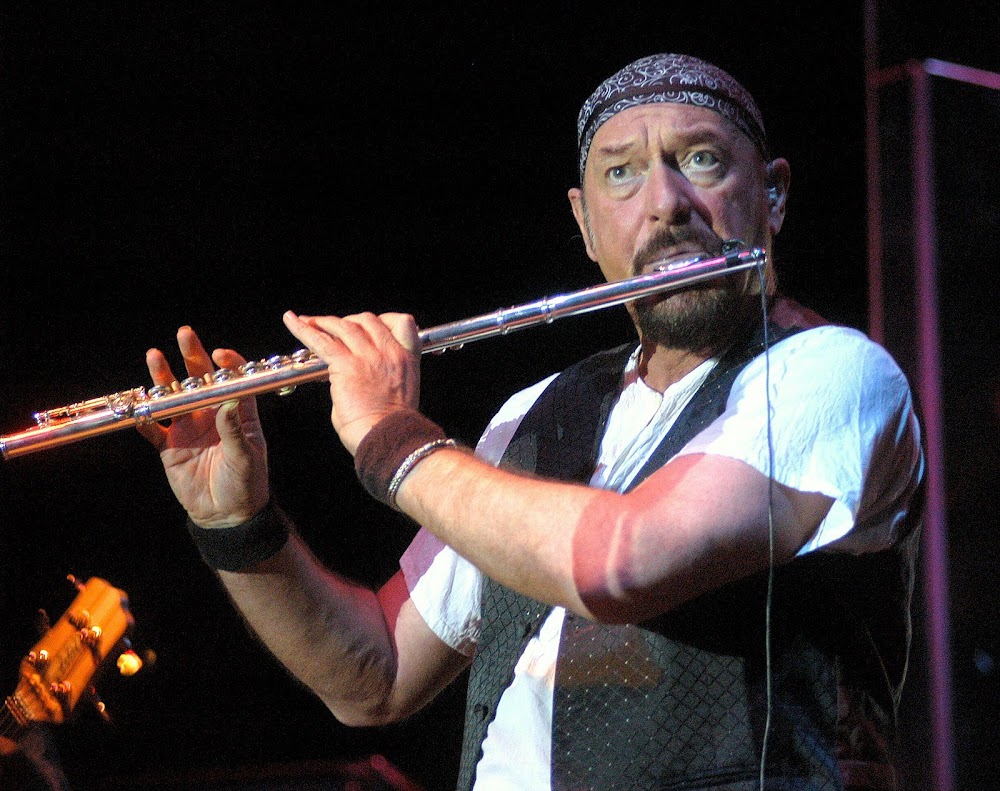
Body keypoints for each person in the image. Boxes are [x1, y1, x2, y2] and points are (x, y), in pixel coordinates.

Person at [140, 53, 924, 791]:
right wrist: (236, 523)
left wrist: (389, 435)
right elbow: (374, 677)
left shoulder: (834, 375)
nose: (665, 202)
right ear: (585, 225)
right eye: (621, 173)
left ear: (774, 194)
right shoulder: (536, 412)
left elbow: (620, 563)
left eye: (701, 159)